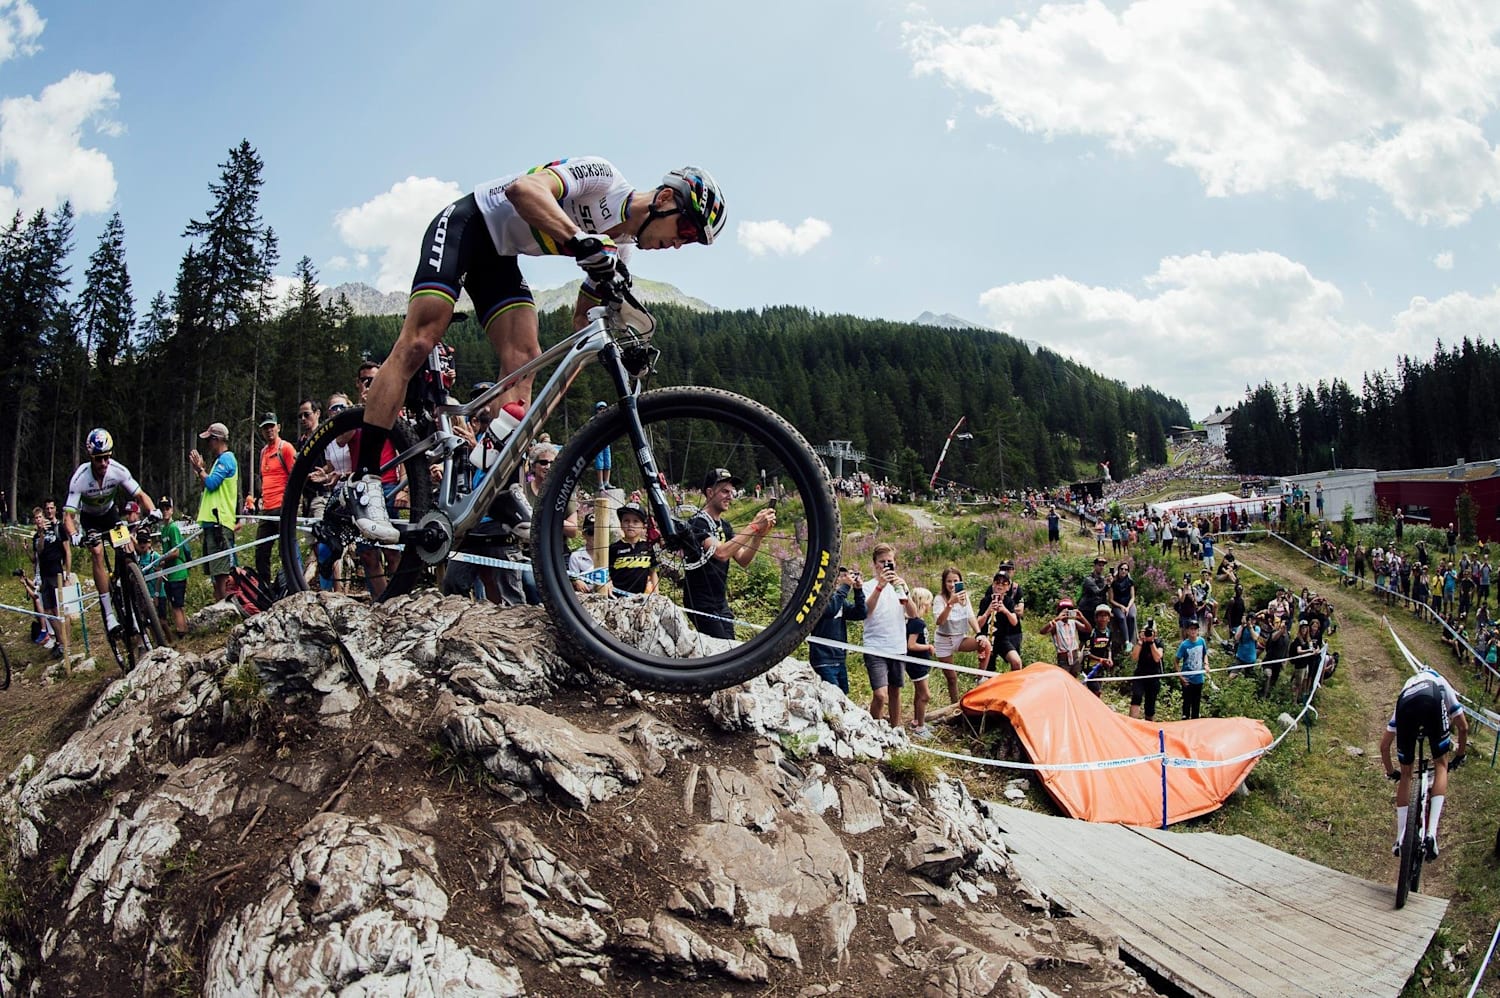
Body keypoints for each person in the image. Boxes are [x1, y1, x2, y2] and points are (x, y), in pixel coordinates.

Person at [348, 159, 725, 543]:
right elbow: (523, 190)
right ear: (664, 198)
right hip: (468, 224)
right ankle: (364, 479)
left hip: (498, 258)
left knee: (525, 358)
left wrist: (618, 338)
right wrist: (581, 241)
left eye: (690, 240)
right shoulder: (603, 178)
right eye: (686, 228)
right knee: (418, 341)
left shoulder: (621, 253)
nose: (680, 243)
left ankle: (497, 485)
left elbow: (582, 322)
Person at [63, 428, 158, 634]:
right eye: (99, 459)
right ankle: (108, 614)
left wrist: (153, 511)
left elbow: (141, 495)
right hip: (90, 520)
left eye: (107, 457)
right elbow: (68, 517)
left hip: (110, 515)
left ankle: (131, 600)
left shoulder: (118, 470)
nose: (104, 463)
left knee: (125, 548)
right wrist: (75, 536)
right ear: (91, 457)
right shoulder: (80, 478)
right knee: (97, 552)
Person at [1380, 668, 1469, 860]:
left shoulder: (1408, 686)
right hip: (1432, 698)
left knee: (1406, 775)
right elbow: (1463, 727)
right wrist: (1460, 755)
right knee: (1441, 765)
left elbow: (1384, 745)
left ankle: (1400, 838)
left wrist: (1391, 771)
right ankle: (1431, 834)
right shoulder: (1440, 681)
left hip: (1405, 705)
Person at [683, 468, 775, 640]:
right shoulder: (698, 522)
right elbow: (720, 553)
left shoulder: (725, 526)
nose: (730, 496)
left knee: (729, 648)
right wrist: (753, 525)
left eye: (731, 492)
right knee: (720, 651)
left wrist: (758, 536)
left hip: (720, 601)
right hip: (700, 602)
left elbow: (743, 559)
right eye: (724, 491)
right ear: (710, 492)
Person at [861, 543, 920, 727]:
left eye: (889, 562)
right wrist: (880, 586)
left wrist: (905, 591)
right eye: (882, 562)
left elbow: (913, 613)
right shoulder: (867, 586)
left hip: (897, 645)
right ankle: (874, 729)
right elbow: (866, 611)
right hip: (875, 646)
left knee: (895, 691)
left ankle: (896, 729)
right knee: (880, 694)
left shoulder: (900, 586)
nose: (886, 565)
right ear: (875, 564)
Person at [189, 421, 238, 602]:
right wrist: (199, 471)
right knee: (215, 574)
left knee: (222, 573)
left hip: (220, 522)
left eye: (210, 440)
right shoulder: (220, 461)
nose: (208, 444)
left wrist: (200, 469)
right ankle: (219, 606)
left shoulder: (226, 459)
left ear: (217, 440)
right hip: (213, 522)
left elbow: (211, 483)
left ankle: (225, 607)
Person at [934, 567, 991, 701]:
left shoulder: (965, 598)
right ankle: (955, 705)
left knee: (985, 644)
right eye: (949, 581)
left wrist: (979, 634)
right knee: (952, 678)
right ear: (944, 582)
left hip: (960, 638)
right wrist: (950, 604)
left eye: (955, 581)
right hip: (943, 640)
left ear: (960, 582)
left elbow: (970, 616)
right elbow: (939, 621)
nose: (952, 585)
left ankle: (980, 677)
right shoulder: (939, 599)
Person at [255, 412, 297, 587]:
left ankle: (291, 585)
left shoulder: (285, 448)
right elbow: (263, 477)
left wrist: (292, 503)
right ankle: (265, 588)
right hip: (267, 508)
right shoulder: (264, 451)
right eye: (266, 428)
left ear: (278, 427)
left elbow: (295, 476)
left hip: (282, 507)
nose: (269, 430)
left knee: (285, 550)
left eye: (271, 426)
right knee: (261, 551)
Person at [810, 565, 867, 694]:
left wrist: (858, 591)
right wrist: (845, 587)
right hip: (823, 659)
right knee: (833, 696)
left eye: (844, 576)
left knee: (843, 696)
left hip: (839, 658)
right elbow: (830, 610)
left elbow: (860, 613)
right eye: (839, 576)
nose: (842, 579)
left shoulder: (840, 600)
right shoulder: (818, 596)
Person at [30, 507, 69, 658]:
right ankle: (60, 642)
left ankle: (65, 643)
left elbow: (66, 550)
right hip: (45, 575)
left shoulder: (56, 529)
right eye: (37, 519)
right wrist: (40, 535)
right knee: (48, 611)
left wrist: (67, 571)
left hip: (56, 572)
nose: (39, 521)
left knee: (59, 609)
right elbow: (38, 552)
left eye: (41, 517)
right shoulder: (36, 537)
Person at [156, 496, 190, 637]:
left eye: (167, 508)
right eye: (162, 509)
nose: (165, 511)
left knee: (177, 605)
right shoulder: (164, 529)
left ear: (171, 510)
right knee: (174, 604)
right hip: (170, 573)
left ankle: (181, 631)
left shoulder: (173, 528)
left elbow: (175, 551)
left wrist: (162, 559)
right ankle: (183, 628)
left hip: (178, 571)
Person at [905, 587, 937, 739]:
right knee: (925, 695)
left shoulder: (917, 621)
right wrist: (928, 647)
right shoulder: (916, 623)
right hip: (917, 665)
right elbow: (911, 645)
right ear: (923, 603)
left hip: (921, 663)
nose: (930, 606)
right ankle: (920, 728)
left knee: (918, 693)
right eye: (929, 603)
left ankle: (917, 720)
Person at [607, 502, 657, 595]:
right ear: (621, 524)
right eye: (626, 520)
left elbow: (653, 572)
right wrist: (608, 582)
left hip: (641, 597)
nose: (630, 524)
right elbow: (606, 571)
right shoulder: (614, 548)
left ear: (643, 525)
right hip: (617, 597)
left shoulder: (648, 547)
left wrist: (656, 594)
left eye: (635, 521)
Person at [1041, 597, 1089, 676]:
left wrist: (1082, 618)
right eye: (1063, 611)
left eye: (1069, 610)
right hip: (1063, 658)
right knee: (1064, 679)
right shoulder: (1056, 624)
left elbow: (1088, 629)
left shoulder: (1073, 622)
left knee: (1075, 679)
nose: (1066, 613)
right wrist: (1057, 619)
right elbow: (1042, 631)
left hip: (1074, 656)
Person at [1129, 618, 1165, 721]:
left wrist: (1151, 642)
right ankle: (1132, 724)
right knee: (1136, 697)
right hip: (1140, 674)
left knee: (1150, 705)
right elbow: (1134, 657)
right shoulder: (1140, 642)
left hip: (1153, 676)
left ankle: (1149, 726)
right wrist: (1140, 641)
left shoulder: (1159, 643)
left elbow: (1158, 657)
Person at [1083, 604, 1118, 697]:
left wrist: (1109, 658)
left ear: (1109, 619)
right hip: (1090, 667)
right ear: (1096, 618)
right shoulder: (1092, 633)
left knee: (1096, 692)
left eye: (1105, 616)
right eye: (1100, 616)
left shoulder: (1109, 632)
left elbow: (1109, 647)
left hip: (1101, 667)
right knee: (1096, 691)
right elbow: (1086, 653)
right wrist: (1100, 660)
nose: (1103, 618)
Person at [1176, 619, 1208, 719]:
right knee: (1186, 703)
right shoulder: (1184, 645)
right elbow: (1176, 661)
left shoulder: (1202, 641)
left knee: (1196, 704)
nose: (1193, 631)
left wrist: (1206, 664)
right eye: (1191, 629)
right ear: (1187, 631)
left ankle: (1195, 723)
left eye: (1195, 629)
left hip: (1199, 678)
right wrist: (1180, 676)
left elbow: (1205, 654)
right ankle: (1185, 722)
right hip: (1187, 679)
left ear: (1198, 630)